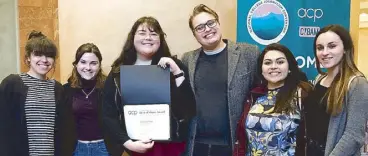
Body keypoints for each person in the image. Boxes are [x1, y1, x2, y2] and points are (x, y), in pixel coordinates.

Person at [102, 16, 196, 156]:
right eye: (142, 33)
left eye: (153, 34)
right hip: (136, 147)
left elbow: (189, 108)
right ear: (132, 38)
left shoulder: (174, 66)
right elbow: (107, 113)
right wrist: (127, 142)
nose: (148, 37)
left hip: (173, 147)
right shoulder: (118, 72)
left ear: (160, 40)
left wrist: (176, 72)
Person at [181, 4, 260, 156]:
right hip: (196, 145)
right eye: (200, 27)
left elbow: (262, 93)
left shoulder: (248, 53)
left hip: (234, 145)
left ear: (218, 23)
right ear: (194, 34)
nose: (207, 29)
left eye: (211, 23)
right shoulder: (187, 59)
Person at [234, 43, 312, 156]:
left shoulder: (302, 94)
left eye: (280, 62)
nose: (273, 66)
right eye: (267, 63)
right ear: (261, 69)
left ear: (289, 67)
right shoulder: (253, 95)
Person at [305, 24, 368, 156]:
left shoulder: (357, 83)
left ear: (345, 48)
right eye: (320, 48)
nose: (325, 52)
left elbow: (354, 136)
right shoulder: (319, 79)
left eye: (332, 46)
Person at [0, 30, 64, 156]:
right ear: (28, 58)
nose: (44, 60)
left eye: (49, 55)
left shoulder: (58, 88)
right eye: (38, 54)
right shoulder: (12, 84)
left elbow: (63, 130)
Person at [62, 43, 122, 156]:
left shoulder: (109, 88)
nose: (88, 67)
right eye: (83, 62)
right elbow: (64, 125)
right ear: (76, 64)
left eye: (93, 63)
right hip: (77, 149)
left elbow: (118, 119)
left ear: (99, 65)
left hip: (104, 149)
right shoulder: (66, 90)